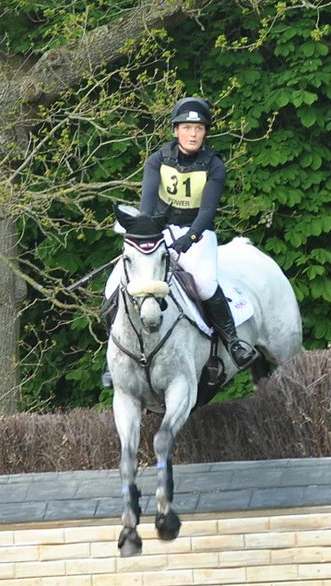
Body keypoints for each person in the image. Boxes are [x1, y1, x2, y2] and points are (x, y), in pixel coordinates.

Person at [101, 97, 256, 386]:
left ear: (205, 132)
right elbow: (147, 208)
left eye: (199, 128)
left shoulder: (214, 165)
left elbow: (207, 211)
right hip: (161, 229)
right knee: (114, 284)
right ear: (176, 131)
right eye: (187, 127)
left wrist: (189, 239)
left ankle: (233, 341)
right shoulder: (157, 160)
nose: (193, 134)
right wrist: (148, 236)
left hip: (199, 233)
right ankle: (112, 358)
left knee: (205, 283)